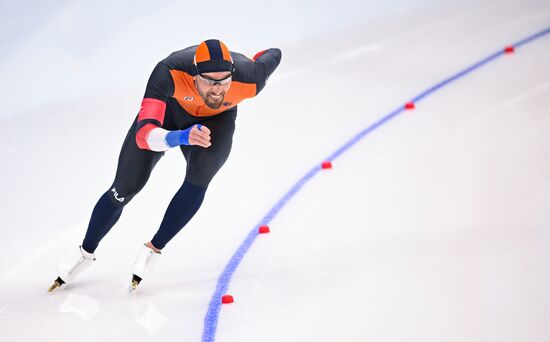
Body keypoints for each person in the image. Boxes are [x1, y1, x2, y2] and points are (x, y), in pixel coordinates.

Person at [48, 39, 282, 292]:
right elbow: (144, 135)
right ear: (194, 75)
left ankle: (154, 249)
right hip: (169, 113)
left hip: (217, 120)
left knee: (201, 175)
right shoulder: (168, 72)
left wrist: (249, 60)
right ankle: (85, 253)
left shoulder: (251, 78)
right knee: (124, 188)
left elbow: (273, 54)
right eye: (210, 82)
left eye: (224, 81)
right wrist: (181, 136)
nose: (217, 90)